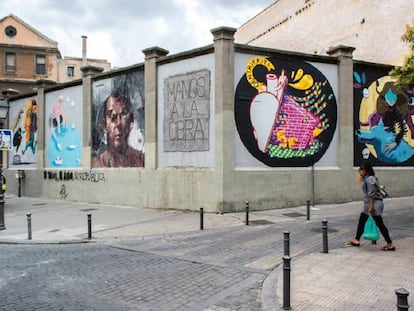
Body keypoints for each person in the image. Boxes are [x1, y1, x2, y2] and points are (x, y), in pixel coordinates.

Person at [347, 161, 395, 251]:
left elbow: (371, 195)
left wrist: (370, 208)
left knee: (380, 224)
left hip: (374, 204)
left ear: (365, 170)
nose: (360, 173)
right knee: (362, 221)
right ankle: (356, 239)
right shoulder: (367, 178)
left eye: (361, 171)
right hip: (369, 204)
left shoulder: (370, 179)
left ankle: (390, 244)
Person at [92, 89, 144, 168]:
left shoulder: (142, 161)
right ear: (104, 124)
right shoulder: (95, 165)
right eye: (112, 116)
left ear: (131, 120)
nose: (118, 123)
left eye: (123, 115)